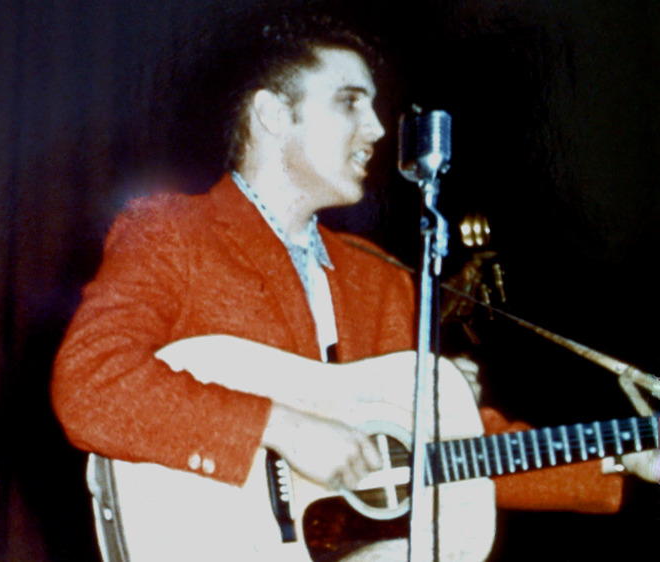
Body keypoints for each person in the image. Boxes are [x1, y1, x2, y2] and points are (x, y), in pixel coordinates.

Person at [51, 5, 658, 560]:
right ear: (271, 114)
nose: (375, 128)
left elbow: (451, 448)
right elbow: (92, 384)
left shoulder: (382, 278)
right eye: (349, 101)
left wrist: (622, 453)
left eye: (373, 106)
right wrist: (281, 428)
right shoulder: (171, 234)